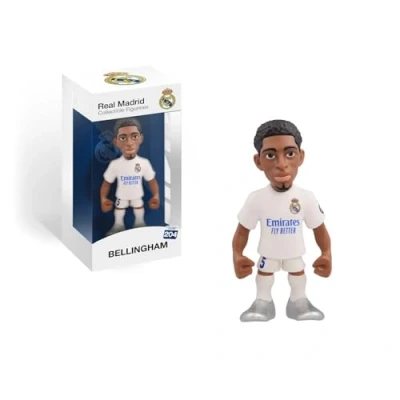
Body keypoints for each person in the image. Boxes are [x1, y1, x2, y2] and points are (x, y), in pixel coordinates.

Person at [232, 120, 332, 321]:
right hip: (268, 252)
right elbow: (243, 230)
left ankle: (298, 302)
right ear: (258, 161)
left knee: (298, 275)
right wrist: (237, 254)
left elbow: (318, 228)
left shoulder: (306, 198)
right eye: (270, 155)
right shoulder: (257, 199)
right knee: (264, 276)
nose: (281, 164)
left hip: (293, 252)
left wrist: (326, 252)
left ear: (301, 156)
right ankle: (262, 302)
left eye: (290, 154)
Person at [100, 117, 160, 235]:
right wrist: (103, 198)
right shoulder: (115, 164)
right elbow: (106, 183)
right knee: (119, 209)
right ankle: (118, 225)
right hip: (121, 196)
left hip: (137, 195)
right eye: (123, 138)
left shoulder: (144, 163)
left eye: (134, 136)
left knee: (138, 208)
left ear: (141, 138)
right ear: (116, 141)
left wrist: (156, 195)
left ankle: (140, 224)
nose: (129, 143)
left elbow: (151, 180)